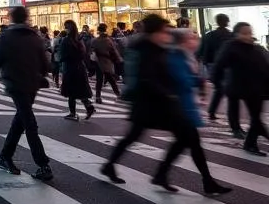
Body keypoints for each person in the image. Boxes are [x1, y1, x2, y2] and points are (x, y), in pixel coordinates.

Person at [102, 14, 230, 194]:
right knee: (180, 138)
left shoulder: (157, 47)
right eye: (163, 31)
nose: (166, 34)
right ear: (154, 32)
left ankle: (180, 177)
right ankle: (169, 175)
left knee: (186, 138)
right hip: (152, 104)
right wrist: (169, 94)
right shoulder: (146, 50)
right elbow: (147, 79)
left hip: (158, 104)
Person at [0, 7, 53, 181]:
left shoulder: (6, 37)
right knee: (29, 121)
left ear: (11, 19)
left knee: (22, 122)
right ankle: (42, 164)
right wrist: (41, 74)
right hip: (32, 83)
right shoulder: (35, 37)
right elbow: (45, 63)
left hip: (15, 83)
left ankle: (5, 157)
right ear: (26, 18)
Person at [212, 21, 269, 155]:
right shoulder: (231, 47)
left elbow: (264, 67)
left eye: (250, 33)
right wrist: (217, 83)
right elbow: (219, 66)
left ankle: (251, 142)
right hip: (241, 88)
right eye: (244, 33)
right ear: (237, 34)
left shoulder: (255, 48)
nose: (248, 36)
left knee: (256, 117)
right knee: (255, 118)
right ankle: (252, 142)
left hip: (257, 88)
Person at [198, 13, 234, 123]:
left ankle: (212, 111)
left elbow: (201, 50)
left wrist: (201, 61)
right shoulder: (231, 36)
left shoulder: (208, 35)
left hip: (212, 64)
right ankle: (226, 114)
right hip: (227, 65)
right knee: (228, 90)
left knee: (220, 89)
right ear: (227, 22)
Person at [59, 20, 95, 120]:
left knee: (71, 92)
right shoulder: (79, 40)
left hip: (70, 68)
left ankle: (73, 113)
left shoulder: (66, 40)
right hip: (80, 67)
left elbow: (62, 56)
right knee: (80, 90)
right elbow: (84, 53)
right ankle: (89, 107)